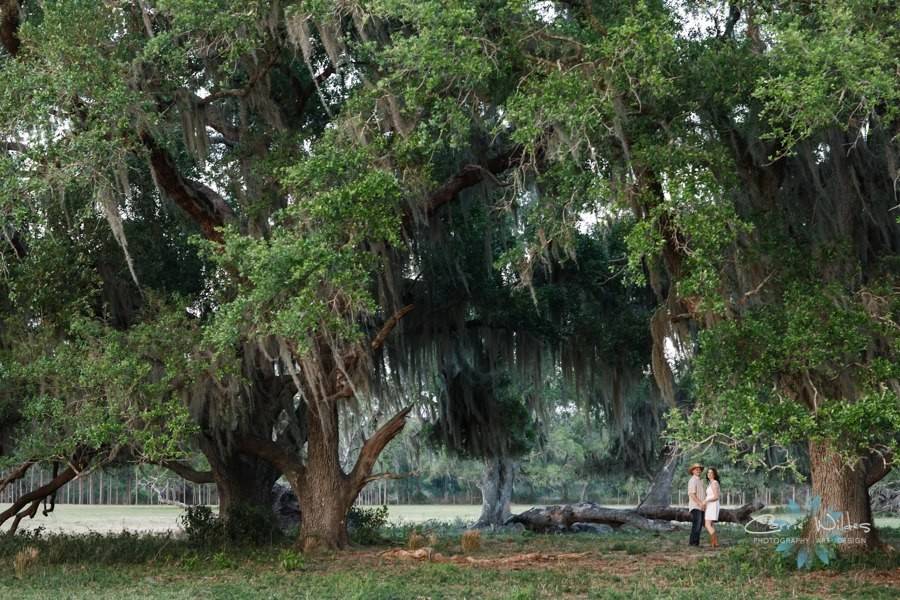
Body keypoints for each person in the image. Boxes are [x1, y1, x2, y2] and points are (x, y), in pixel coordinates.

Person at [686, 463, 705, 546]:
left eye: (699, 469)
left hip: (701, 506)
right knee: (697, 524)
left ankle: (696, 543)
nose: (698, 470)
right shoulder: (692, 480)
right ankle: (693, 543)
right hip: (695, 506)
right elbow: (692, 494)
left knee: (699, 525)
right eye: (696, 469)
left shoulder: (700, 481)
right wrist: (700, 503)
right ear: (692, 471)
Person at [704, 467, 721, 548]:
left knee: (707, 524)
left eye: (711, 473)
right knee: (711, 524)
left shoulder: (714, 483)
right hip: (710, 505)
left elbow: (716, 497)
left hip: (713, 505)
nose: (709, 474)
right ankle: (715, 543)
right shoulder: (710, 483)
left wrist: (706, 501)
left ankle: (713, 543)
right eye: (708, 473)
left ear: (714, 474)